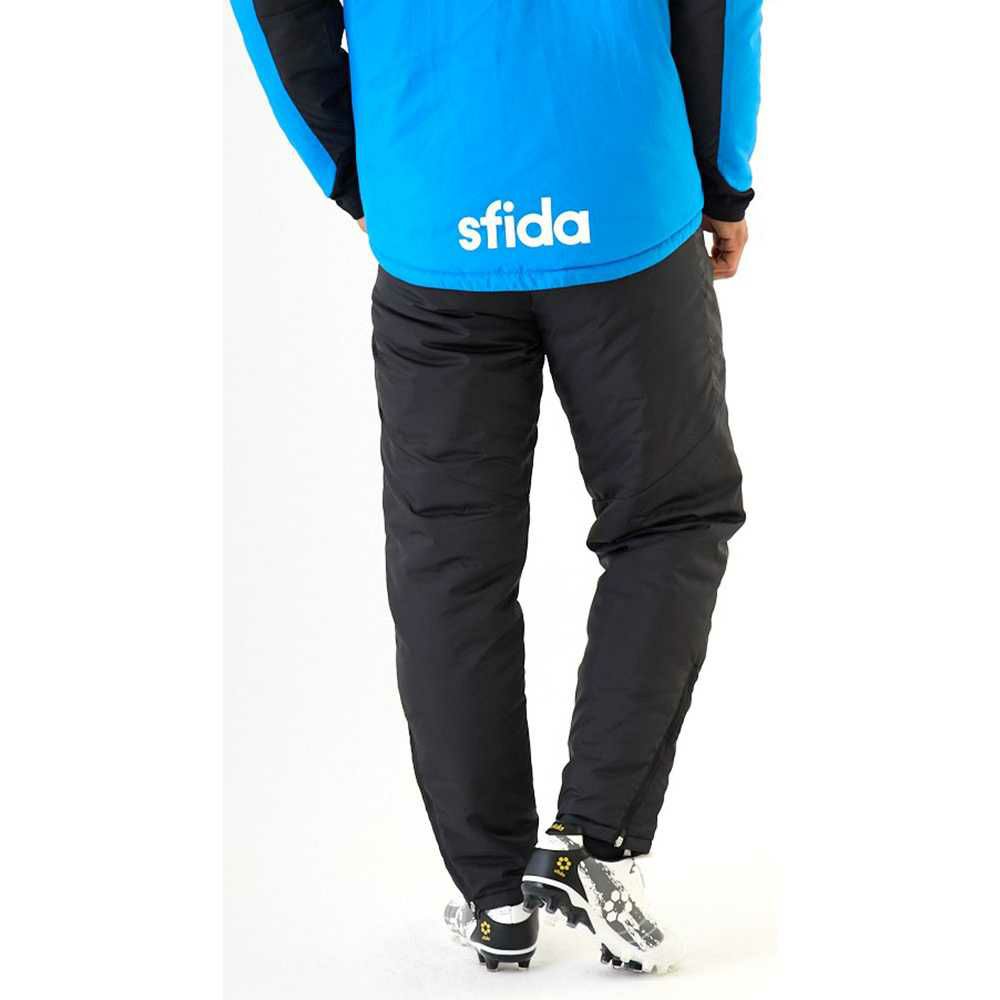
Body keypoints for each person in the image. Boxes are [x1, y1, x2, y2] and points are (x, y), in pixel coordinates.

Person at [231, 0, 761, 975]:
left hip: (436, 209)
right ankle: (594, 842)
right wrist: (719, 182)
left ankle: (495, 895)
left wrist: (360, 171)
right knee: (672, 518)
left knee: (449, 565)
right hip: (622, 192)